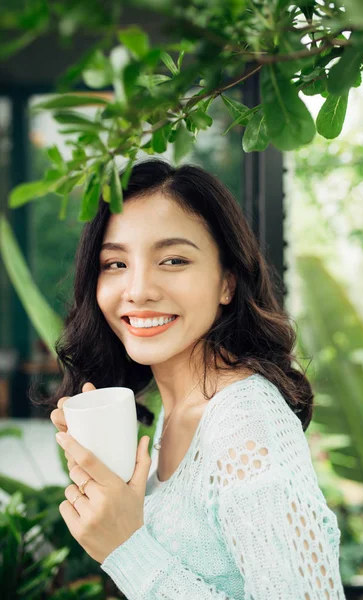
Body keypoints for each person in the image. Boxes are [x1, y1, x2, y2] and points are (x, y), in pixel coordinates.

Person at [49, 158, 346, 599]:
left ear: (227, 282)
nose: (138, 289)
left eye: (172, 260)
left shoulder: (244, 424)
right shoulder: (176, 409)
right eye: (115, 264)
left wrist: (127, 550)